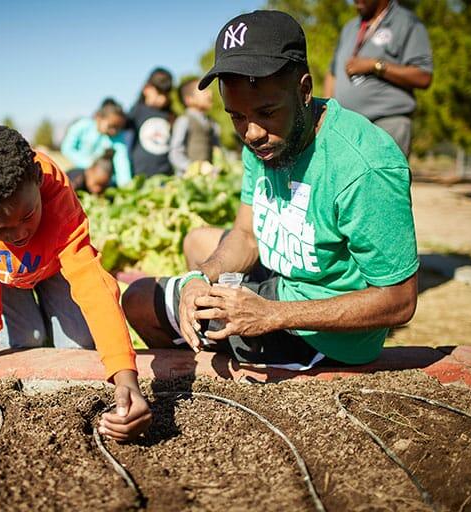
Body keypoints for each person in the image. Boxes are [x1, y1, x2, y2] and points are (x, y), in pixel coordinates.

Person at [122, 11, 418, 370]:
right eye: (237, 116)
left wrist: (272, 315)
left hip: (319, 334)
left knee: (140, 302)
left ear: (305, 90)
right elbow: (247, 235)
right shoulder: (266, 141)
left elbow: (400, 300)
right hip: (279, 284)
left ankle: (238, 365)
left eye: (266, 112)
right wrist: (199, 278)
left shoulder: (365, 165)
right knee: (161, 280)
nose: (251, 133)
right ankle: (218, 351)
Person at [0, 125, 150, 441]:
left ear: (37, 178)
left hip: (56, 269)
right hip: (4, 273)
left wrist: (126, 377)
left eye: (27, 216)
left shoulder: (57, 193)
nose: (19, 235)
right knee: (27, 343)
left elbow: (92, 283)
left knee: (76, 348)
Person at [324, 0, 433, 157]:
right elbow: (333, 73)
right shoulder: (350, 27)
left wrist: (375, 66)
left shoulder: (407, 23)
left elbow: (423, 76)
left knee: (381, 181)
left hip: (386, 125)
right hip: (346, 127)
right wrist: (329, 118)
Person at [60, 98, 132, 188]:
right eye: (111, 126)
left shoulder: (117, 139)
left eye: (118, 128)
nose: (114, 131)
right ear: (98, 118)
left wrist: (126, 187)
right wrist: (90, 165)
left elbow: (122, 164)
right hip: (74, 172)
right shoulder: (82, 126)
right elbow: (66, 149)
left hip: (99, 181)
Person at [126, 68, 175, 177]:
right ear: (146, 89)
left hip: (165, 174)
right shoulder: (137, 111)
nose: (162, 98)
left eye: (166, 94)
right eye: (159, 93)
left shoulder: (170, 115)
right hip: (140, 174)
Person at [169, 76, 221, 176]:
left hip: (207, 179)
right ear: (189, 99)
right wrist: (193, 168)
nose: (210, 94)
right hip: (188, 180)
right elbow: (175, 153)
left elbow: (217, 150)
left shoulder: (211, 122)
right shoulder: (184, 120)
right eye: (204, 91)